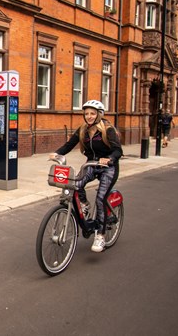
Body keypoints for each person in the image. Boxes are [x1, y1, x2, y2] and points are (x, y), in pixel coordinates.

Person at [49, 100, 123, 253]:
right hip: (91, 165)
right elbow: (69, 145)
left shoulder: (107, 130)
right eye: (87, 113)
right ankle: (84, 204)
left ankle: (101, 236)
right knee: (74, 184)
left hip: (108, 168)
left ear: (99, 114)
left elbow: (118, 151)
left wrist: (109, 159)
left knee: (101, 198)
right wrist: (57, 153)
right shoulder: (82, 130)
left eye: (92, 113)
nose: (89, 116)